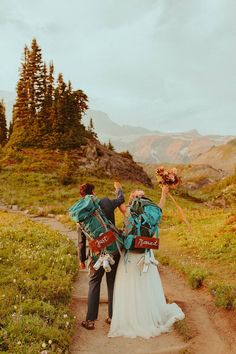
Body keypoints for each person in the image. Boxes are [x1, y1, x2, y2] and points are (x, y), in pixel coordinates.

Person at [108, 185, 185, 338]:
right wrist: (163, 193)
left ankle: (130, 318)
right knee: (146, 287)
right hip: (145, 254)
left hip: (130, 255)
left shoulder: (128, 211)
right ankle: (149, 316)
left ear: (132, 199)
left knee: (129, 286)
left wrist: (119, 191)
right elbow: (159, 209)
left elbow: (119, 203)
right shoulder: (151, 211)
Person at [80, 181, 125, 330]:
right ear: (93, 192)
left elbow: (81, 240)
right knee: (112, 283)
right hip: (113, 248)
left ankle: (90, 320)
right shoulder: (105, 202)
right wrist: (118, 188)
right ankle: (112, 317)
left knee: (94, 283)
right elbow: (120, 200)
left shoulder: (82, 213)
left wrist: (81, 259)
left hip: (96, 254)